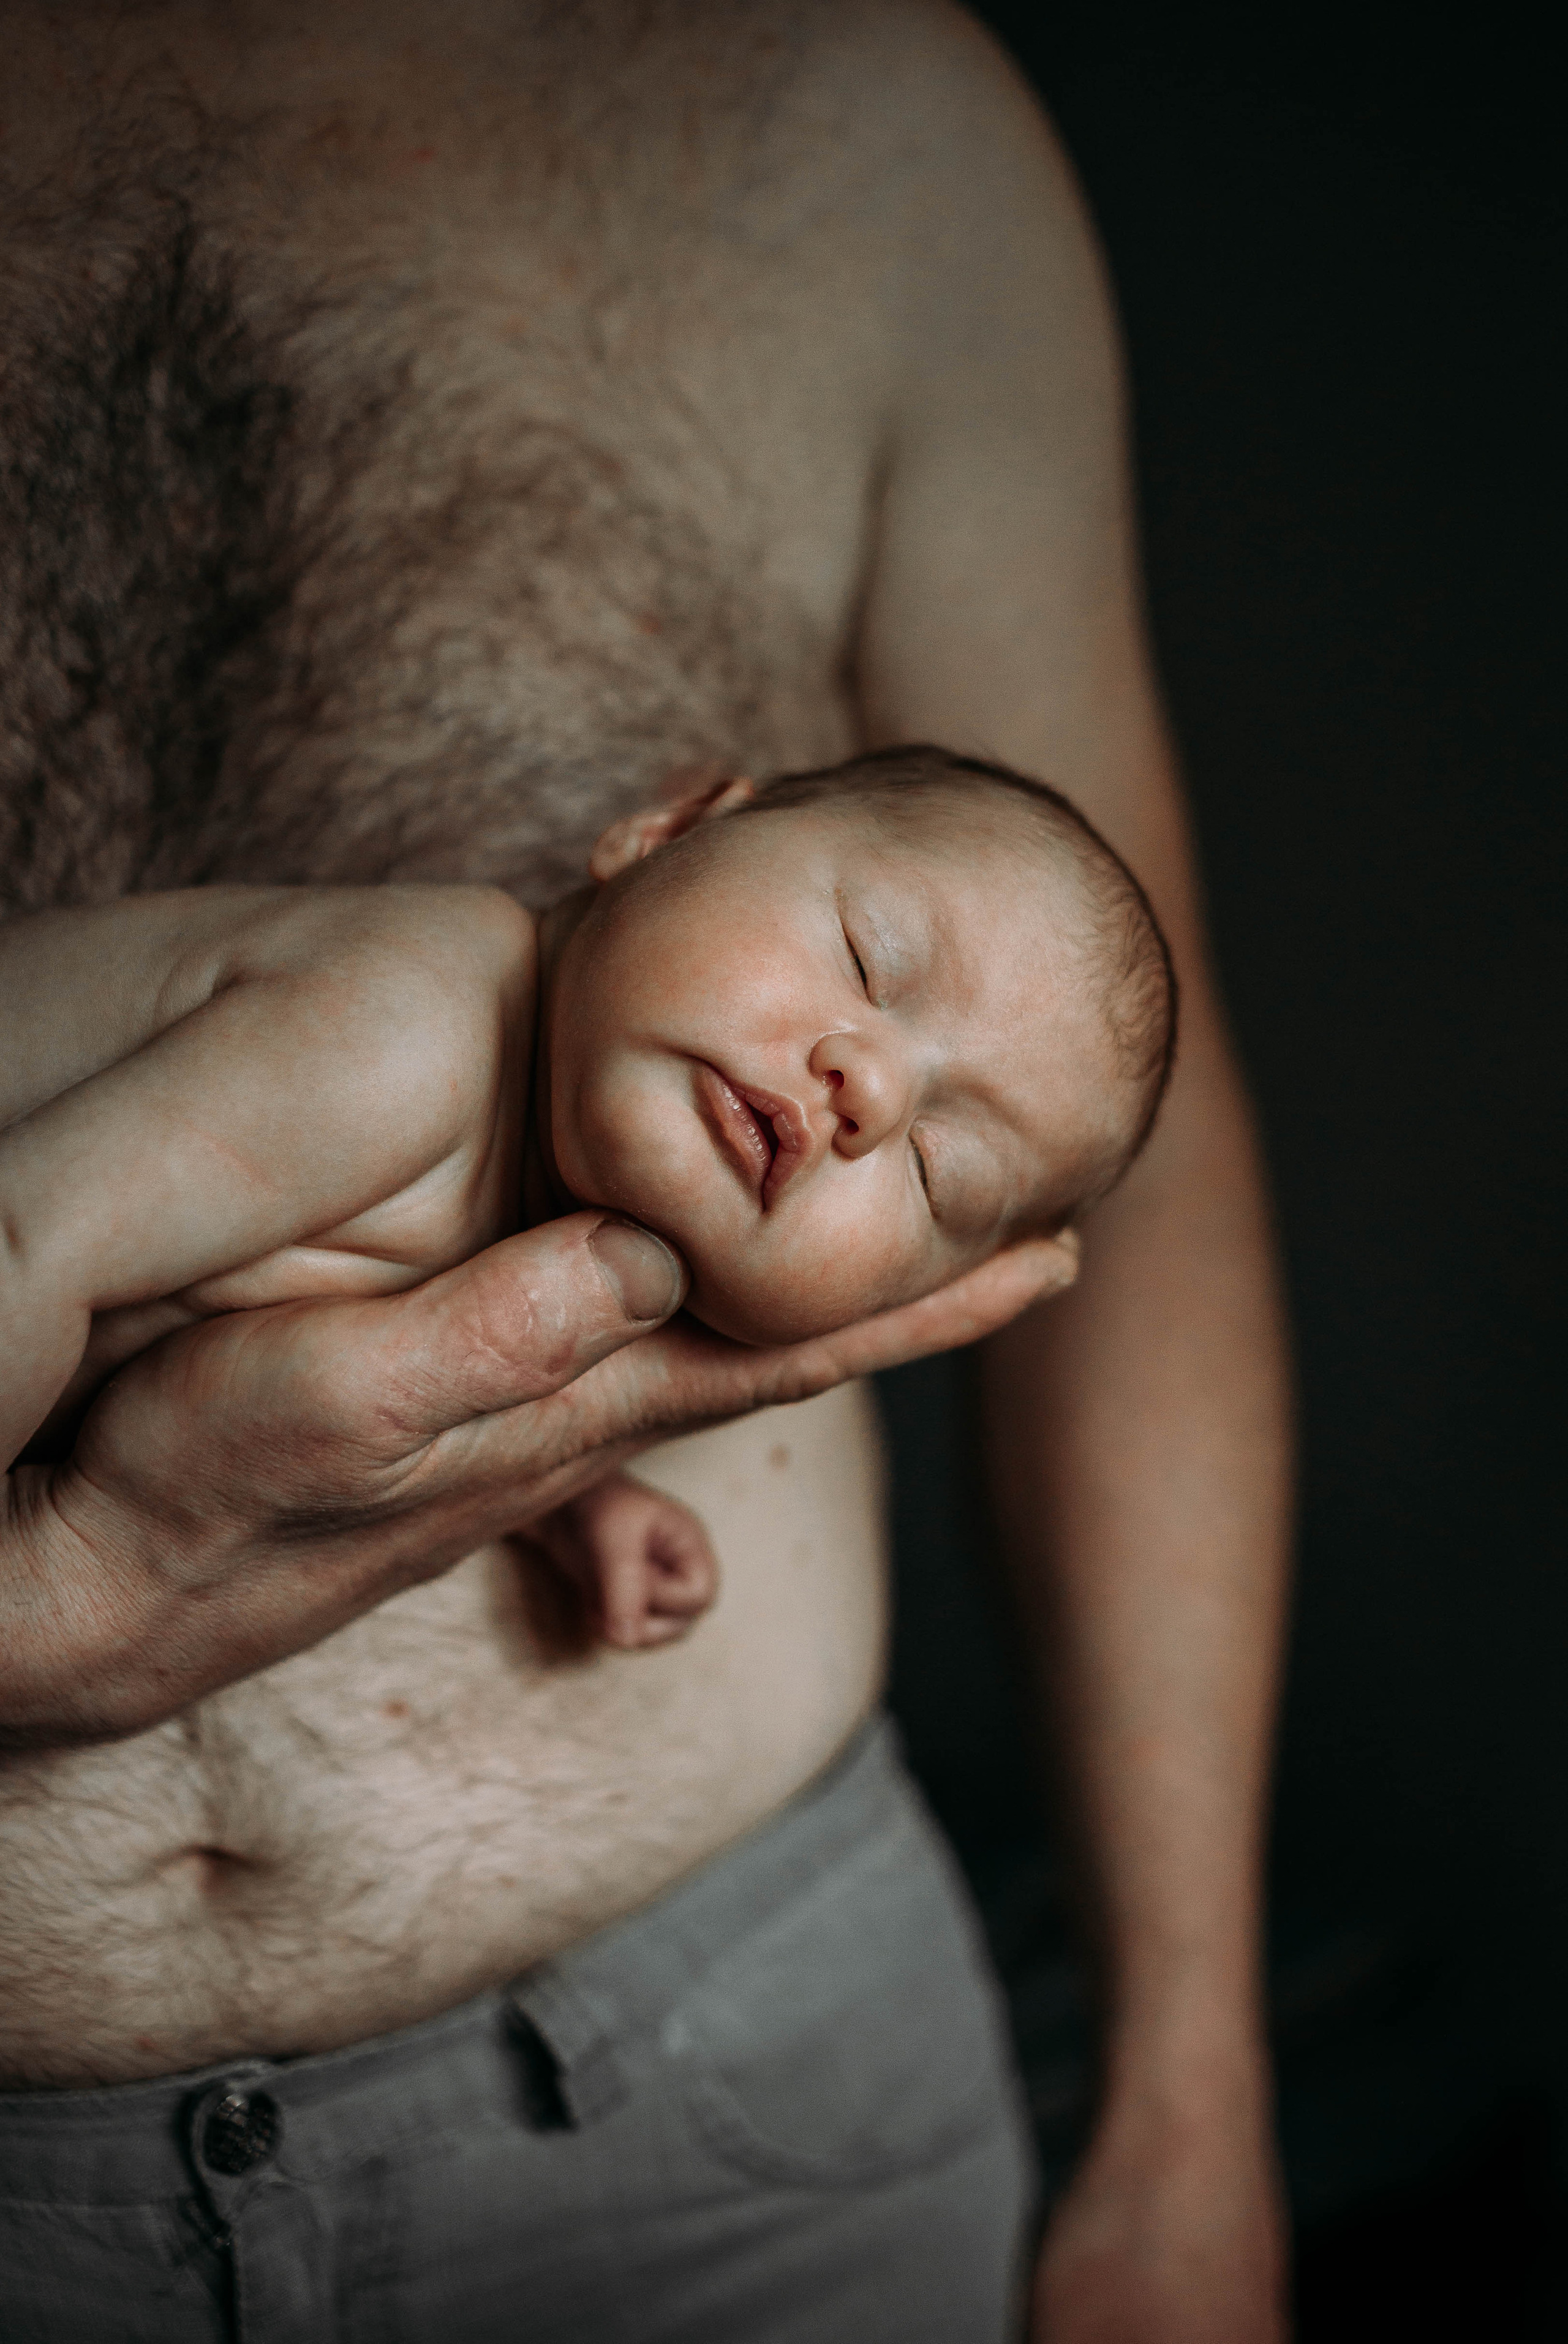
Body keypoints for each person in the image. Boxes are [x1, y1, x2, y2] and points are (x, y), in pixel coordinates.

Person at [0, 7, 1292, 2341]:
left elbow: (1148, 1215)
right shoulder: (395, 1005)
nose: (875, 1094)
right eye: (868, 950)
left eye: (949, 1161)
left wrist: (1190, 2100)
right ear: (671, 821)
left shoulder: (857, 125)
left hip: (744, 2124)